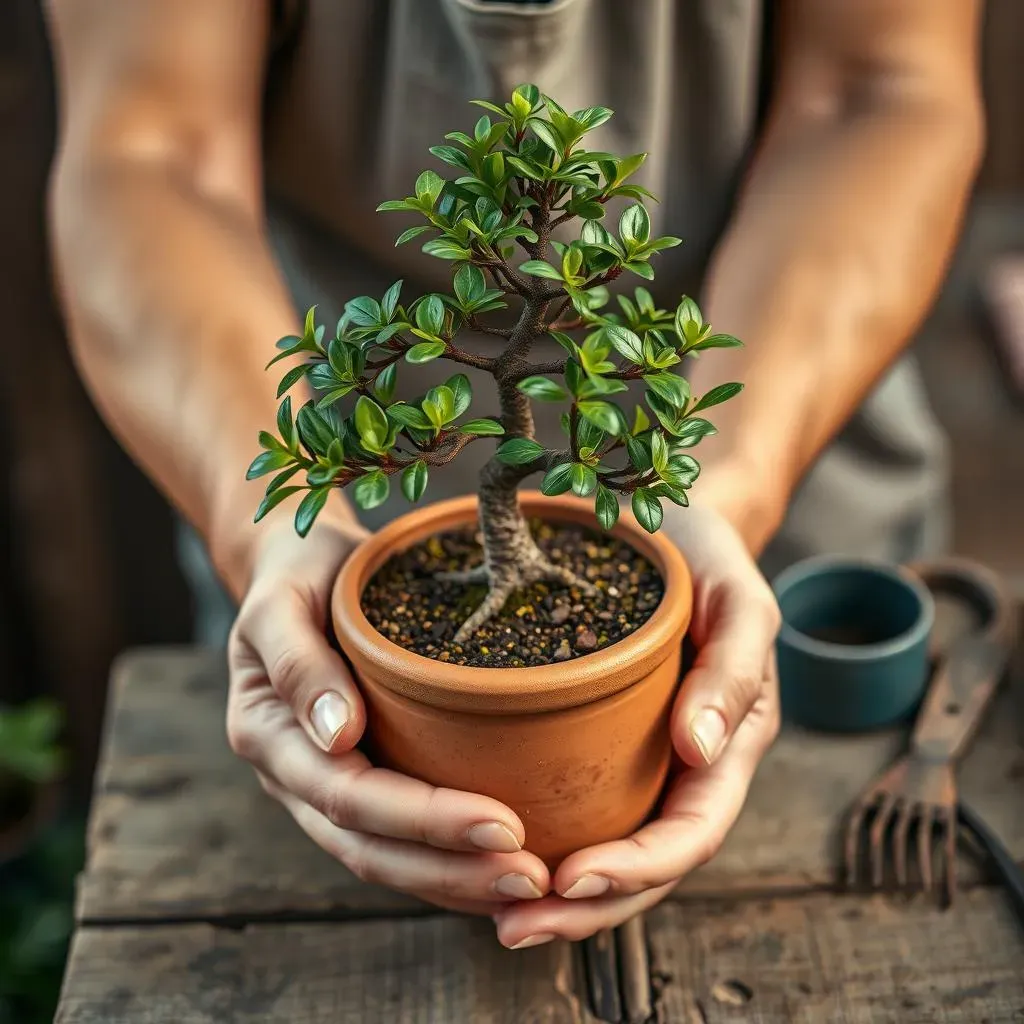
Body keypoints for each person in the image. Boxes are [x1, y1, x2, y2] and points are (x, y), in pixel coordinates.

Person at [45, 0, 984, 949]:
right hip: (322, 490)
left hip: (789, 456)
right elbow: (150, 154)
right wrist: (276, 527)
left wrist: (720, 487)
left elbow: (880, 90)